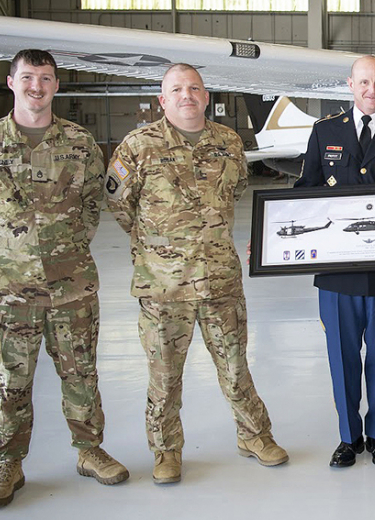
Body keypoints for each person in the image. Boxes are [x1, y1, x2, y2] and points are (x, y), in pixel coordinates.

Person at [105, 63, 287, 484]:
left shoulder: (229, 142)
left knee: (236, 368)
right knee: (165, 377)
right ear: (162, 99)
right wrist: (160, 247)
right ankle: (166, 451)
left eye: (194, 88)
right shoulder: (137, 146)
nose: (186, 95)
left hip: (220, 281)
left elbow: (236, 191)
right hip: (163, 288)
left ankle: (254, 436)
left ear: (206, 97)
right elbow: (119, 205)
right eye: (176, 89)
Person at [0, 49, 129, 508]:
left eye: (46, 78)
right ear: (11, 82)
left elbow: (93, 202)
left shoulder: (79, 142)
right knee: (9, 379)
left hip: (72, 285)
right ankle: (7, 462)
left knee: (81, 372)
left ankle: (89, 451)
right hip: (8, 289)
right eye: (28, 77)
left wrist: (64, 248)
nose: (37, 86)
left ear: (56, 85)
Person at [295, 55, 375, 467]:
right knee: (342, 357)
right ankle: (348, 438)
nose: (372, 90)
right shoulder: (324, 131)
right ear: (350, 84)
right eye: (364, 82)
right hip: (337, 272)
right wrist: (272, 239)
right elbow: (305, 190)